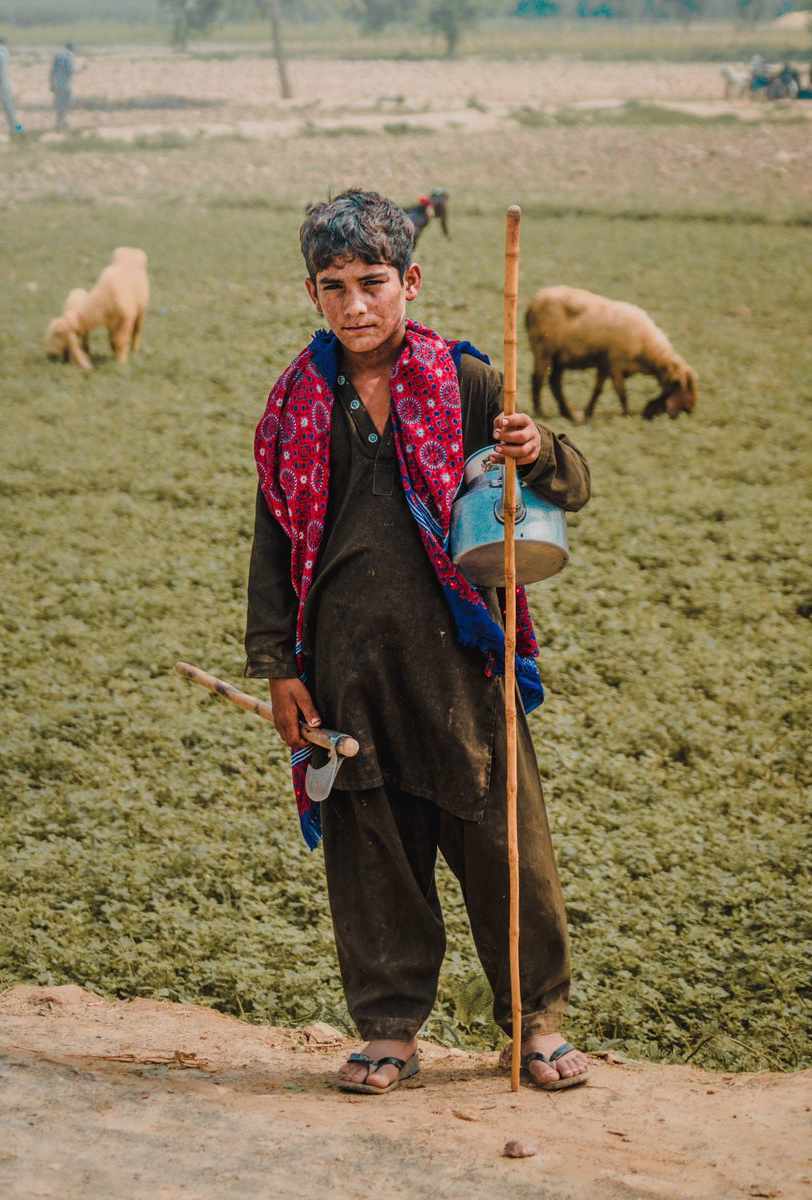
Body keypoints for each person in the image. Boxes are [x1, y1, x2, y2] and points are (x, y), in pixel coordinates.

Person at [244, 189, 592, 1095]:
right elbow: (274, 542)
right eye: (334, 286)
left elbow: (574, 489)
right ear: (311, 292)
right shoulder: (293, 404)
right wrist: (281, 667)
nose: (356, 306)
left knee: (504, 846)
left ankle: (534, 1022)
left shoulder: (468, 381)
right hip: (346, 667)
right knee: (372, 852)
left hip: (461, 659)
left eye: (373, 282)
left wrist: (537, 447)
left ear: (410, 280)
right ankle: (390, 1027)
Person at [49, 41, 76, 130]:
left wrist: (51, 83)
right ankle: (60, 123)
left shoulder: (57, 55)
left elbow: (52, 71)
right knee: (65, 104)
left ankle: (59, 122)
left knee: (59, 104)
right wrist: (82, 69)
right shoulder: (69, 56)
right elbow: (71, 71)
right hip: (66, 84)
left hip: (57, 83)